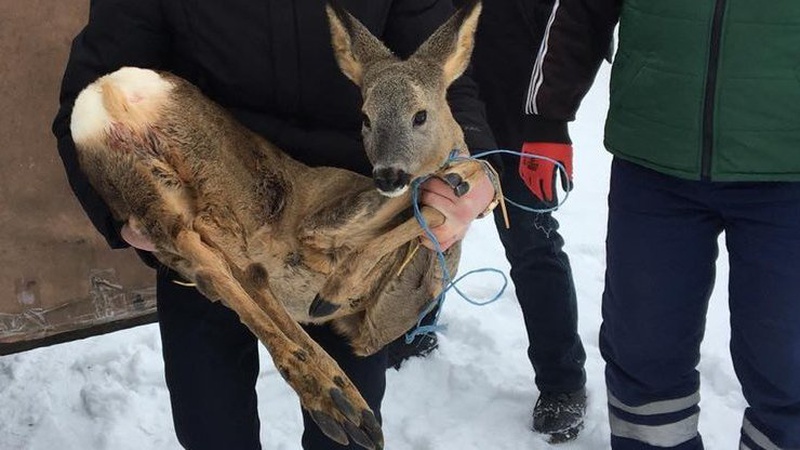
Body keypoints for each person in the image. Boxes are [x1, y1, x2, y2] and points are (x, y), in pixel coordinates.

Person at [51, 1, 497, 449]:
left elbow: (441, 84)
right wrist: (120, 211)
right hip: (215, 226)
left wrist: (473, 167)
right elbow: (91, 94)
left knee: (347, 439)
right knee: (211, 431)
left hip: (346, 236)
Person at [522, 1, 800, 449]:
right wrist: (547, 119)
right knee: (643, 350)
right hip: (655, 160)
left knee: (788, 362)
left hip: (788, 173)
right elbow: (581, 11)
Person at [451, 0, 590, 443]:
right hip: (441, 106)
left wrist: (549, 118)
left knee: (533, 245)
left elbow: (568, 30)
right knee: (429, 229)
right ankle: (414, 329)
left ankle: (562, 381)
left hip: (521, 116)